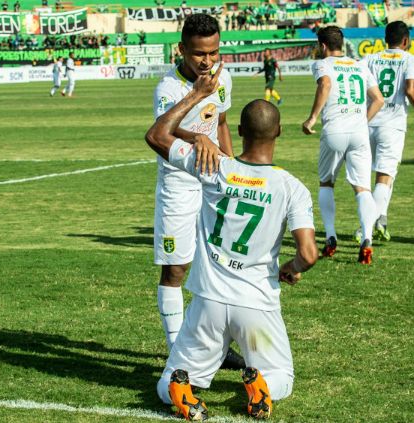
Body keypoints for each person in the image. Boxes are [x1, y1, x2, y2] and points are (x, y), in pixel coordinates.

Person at [145, 67, 318, 421]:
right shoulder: (291, 187)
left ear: (239, 132)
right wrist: (291, 268)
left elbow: (157, 135)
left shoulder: (214, 166)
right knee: (282, 377)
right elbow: (308, 254)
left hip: (208, 302)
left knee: (167, 382)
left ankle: (182, 389)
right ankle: (259, 387)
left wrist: (195, 102)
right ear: (280, 132)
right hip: (256, 306)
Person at [152, 13, 245, 370]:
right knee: (176, 269)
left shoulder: (224, 77)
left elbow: (220, 122)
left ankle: (216, 349)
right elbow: (162, 132)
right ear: (182, 50)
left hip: (215, 181)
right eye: (198, 54)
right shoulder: (168, 88)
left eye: (213, 52)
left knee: (219, 266)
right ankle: (177, 354)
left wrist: (233, 169)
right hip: (179, 182)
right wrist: (197, 100)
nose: (207, 61)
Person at [301, 26, 384, 264]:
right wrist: (361, 120)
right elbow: (379, 99)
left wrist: (312, 118)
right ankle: (367, 238)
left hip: (334, 131)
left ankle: (330, 236)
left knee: (326, 182)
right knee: (362, 189)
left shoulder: (322, 63)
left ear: (323, 46)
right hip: (359, 133)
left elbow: (325, 85)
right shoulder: (360, 64)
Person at [361, 21, 414, 243]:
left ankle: (381, 218)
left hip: (368, 122)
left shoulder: (370, 58)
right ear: (406, 41)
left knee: (379, 176)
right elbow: (410, 89)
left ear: (385, 40)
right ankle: (368, 225)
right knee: (385, 175)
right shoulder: (410, 59)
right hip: (392, 125)